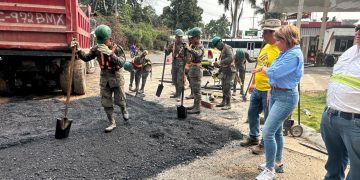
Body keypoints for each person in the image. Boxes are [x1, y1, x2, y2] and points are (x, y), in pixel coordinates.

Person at [253, 25, 304, 180]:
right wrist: (271, 87)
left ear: (287, 40)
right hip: (276, 93)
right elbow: (274, 72)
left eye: (278, 40)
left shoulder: (293, 55)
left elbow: (274, 71)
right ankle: (277, 163)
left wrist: (263, 69)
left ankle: (269, 171)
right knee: (276, 131)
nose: (275, 43)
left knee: (268, 132)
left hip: (286, 96)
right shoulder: (285, 52)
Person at [320, 25, 360, 180]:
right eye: (357, 28)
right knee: (334, 163)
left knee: (357, 169)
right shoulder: (350, 52)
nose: (358, 32)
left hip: (354, 121)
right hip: (331, 117)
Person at [72, 24, 129, 133]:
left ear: (110, 39)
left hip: (116, 78)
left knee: (120, 99)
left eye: (104, 41)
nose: (101, 44)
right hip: (105, 79)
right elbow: (86, 58)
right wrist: (78, 50)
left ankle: (124, 109)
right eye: (100, 41)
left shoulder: (118, 49)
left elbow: (121, 63)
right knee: (106, 101)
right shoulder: (96, 49)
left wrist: (110, 54)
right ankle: (112, 122)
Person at [240, 19, 281, 156]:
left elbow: (279, 71)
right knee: (252, 113)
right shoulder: (266, 47)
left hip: (269, 91)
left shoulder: (280, 50)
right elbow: (259, 66)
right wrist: (253, 83)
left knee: (269, 119)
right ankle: (253, 137)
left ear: (274, 33)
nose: (263, 35)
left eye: (265, 32)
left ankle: (264, 144)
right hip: (258, 88)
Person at [212, 36, 236, 110]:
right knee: (223, 87)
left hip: (229, 71)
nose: (217, 47)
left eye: (217, 46)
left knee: (227, 87)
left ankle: (228, 104)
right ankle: (223, 101)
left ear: (220, 42)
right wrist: (218, 70)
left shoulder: (227, 48)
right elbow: (223, 63)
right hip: (224, 70)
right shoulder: (223, 50)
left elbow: (230, 58)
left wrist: (220, 62)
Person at [184, 27, 204, 114]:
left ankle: (197, 108)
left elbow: (198, 54)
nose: (190, 39)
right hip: (193, 68)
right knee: (193, 88)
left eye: (192, 38)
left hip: (197, 69)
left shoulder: (200, 46)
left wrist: (189, 48)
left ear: (197, 37)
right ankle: (195, 105)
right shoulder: (194, 45)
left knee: (197, 90)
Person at [165, 29, 186, 100]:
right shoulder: (172, 44)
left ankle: (179, 94)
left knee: (179, 80)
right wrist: (166, 49)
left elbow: (187, 56)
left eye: (180, 37)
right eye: (178, 36)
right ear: (176, 36)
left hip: (181, 64)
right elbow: (167, 53)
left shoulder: (184, 45)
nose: (179, 38)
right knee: (174, 79)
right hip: (174, 63)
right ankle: (177, 92)